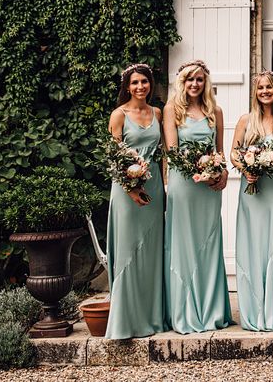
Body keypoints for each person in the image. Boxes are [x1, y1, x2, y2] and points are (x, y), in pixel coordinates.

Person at [163, 60, 232, 334]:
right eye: (189, 80)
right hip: (184, 184)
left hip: (208, 189)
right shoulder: (172, 111)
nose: (194, 84)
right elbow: (172, 152)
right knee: (184, 244)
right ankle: (184, 311)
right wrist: (199, 168)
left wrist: (222, 173)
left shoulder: (215, 111)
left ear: (206, 83)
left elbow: (220, 151)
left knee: (208, 242)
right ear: (182, 83)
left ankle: (212, 310)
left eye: (199, 80)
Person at [230, 71, 273, 331]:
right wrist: (246, 167)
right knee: (253, 244)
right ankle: (254, 310)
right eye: (260, 88)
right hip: (252, 189)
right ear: (255, 92)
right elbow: (234, 154)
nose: (265, 91)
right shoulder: (246, 120)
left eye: (269, 87)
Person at [105, 63, 167, 339]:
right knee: (130, 248)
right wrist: (130, 188)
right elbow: (113, 157)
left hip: (153, 186)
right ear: (127, 87)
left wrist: (164, 184)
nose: (140, 87)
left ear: (150, 84)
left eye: (144, 82)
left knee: (152, 250)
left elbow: (164, 153)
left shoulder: (157, 112)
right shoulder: (119, 115)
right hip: (126, 189)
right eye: (134, 83)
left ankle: (151, 318)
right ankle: (125, 321)